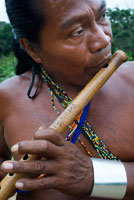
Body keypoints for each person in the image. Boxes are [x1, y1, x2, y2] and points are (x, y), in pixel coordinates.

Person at [0, 0, 134, 199]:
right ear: (31, 49)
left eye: (102, 17)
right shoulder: (7, 98)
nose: (104, 40)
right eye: (77, 31)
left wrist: (92, 176)